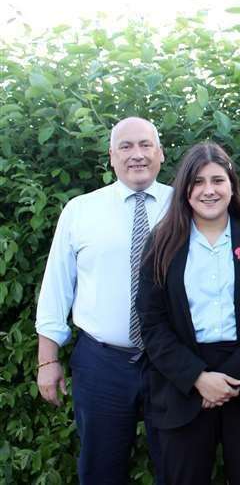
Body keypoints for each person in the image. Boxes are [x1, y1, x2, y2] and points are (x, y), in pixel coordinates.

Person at [136, 142, 240, 485]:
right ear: (184, 189)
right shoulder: (160, 244)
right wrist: (198, 379)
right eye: (198, 181)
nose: (209, 190)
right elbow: (151, 321)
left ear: (232, 187)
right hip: (183, 384)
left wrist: (229, 379)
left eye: (218, 180)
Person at [35, 117, 169, 484]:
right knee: (100, 470)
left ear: (161, 153)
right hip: (101, 362)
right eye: (125, 147)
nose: (136, 155)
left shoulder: (184, 205)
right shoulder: (81, 210)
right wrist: (47, 360)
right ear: (111, 157)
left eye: (145, 145)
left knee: (177, 467)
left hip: (170, 362)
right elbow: (56, 287)